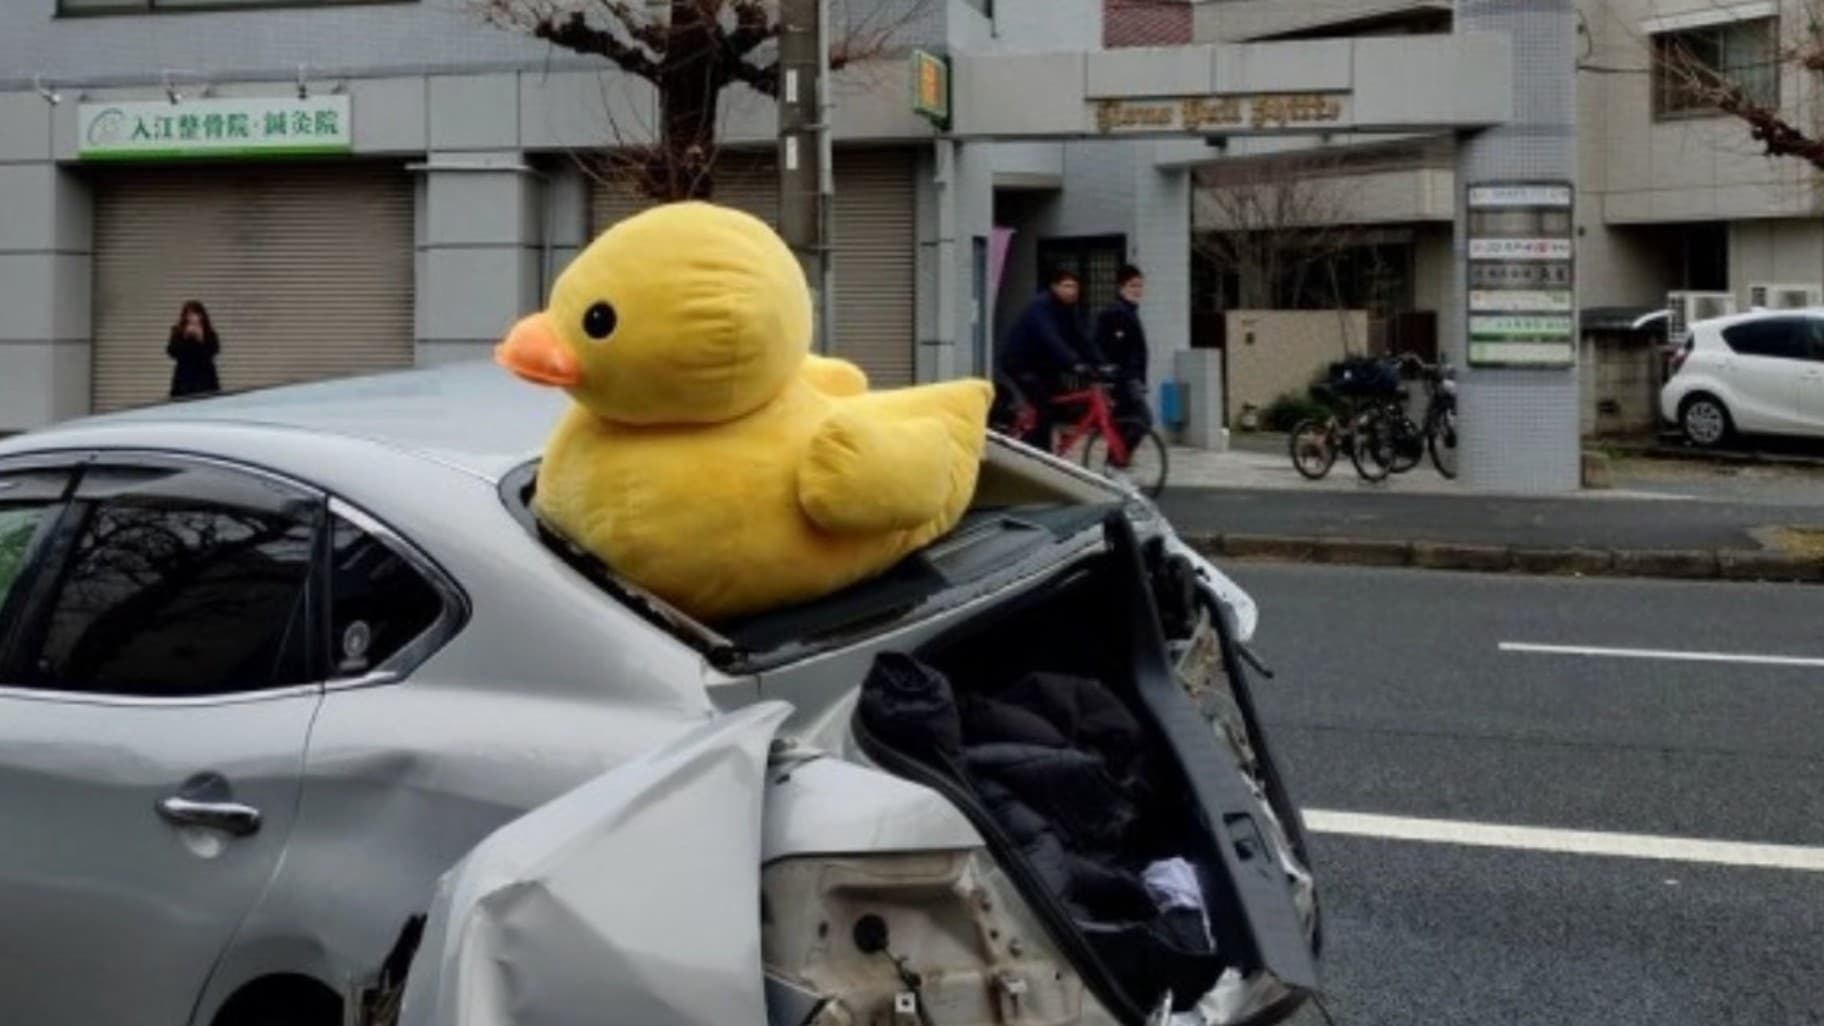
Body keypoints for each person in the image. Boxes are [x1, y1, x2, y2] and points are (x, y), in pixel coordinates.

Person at [997, 267, 1095, 449]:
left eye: (1074, 286)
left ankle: (1048, 434)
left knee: (1066, 399)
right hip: (1020, 362)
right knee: (1044, 404)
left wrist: (1100, 363)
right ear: (1054, 287)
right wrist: (1074, 362)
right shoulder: (1040, 307)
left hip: (1043, 364)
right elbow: (1051, 339)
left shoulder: (1067, 310)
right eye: (1066, 286)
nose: (1072, 291)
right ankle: (1037, 451)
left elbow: (1081, 339)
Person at [1093, 265, 1154, 455]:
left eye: (1140, 286)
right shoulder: (1117, 312)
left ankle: (1114, 466)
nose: (1137, 291)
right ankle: (1117, 464)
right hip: (1124, 379)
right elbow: (1104, 344)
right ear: (1121, 287)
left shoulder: (1128, 311)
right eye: (1132, 286)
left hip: (1128, 379)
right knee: (1143, 420)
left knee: (1123, 424)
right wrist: (1111, 371)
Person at [167, 299, 221, 400]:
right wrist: (184, 336)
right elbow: (171, 352)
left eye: (195, 314)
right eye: (189, 314)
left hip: (205, 378)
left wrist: (201, 338)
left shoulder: (209, 333)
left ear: (201, 316)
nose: (192, 318)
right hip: (184, 379)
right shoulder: (178, 331)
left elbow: (214, 351)